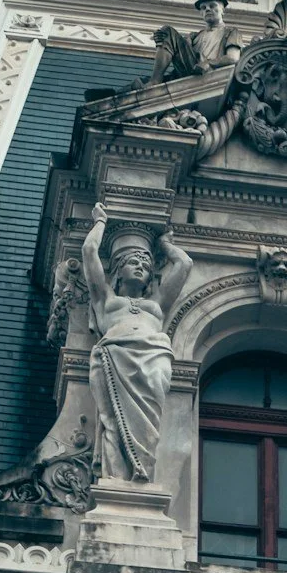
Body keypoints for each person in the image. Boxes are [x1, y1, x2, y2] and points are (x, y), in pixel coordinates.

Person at [81, 202, 191, 484]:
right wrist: (100, 223)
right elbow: (90, 253)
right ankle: (119, 481)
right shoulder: (106, 299)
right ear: (117, 270)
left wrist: (165, 244)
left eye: (145, 263)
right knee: (113, 423)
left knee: (148, 426)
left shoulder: (156, 304)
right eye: (134, 262)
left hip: (153, 360)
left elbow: (184, 264)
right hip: (114, 358)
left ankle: (142, 473)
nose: (141, 266)